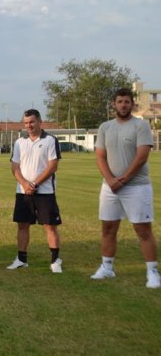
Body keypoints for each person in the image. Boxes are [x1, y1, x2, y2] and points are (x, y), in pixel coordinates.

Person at [90, 88, 160, 288]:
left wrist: (122, 180)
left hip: (137, 187)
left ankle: (152, 272)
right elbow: (100, 157)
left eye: (126, 102)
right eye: (119, 101)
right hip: (110, 187)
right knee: (108, 228)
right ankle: (107, 267)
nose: (123, 105)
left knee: (142, 229)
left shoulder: (140, 126)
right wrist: (111, 180)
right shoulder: (105, 127)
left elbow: (142, 156)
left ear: (132, 104)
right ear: (114, 104)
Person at [7, 109, 63, 273]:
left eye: (31, 122)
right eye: (26, 123)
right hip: (23, 191)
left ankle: (55, 260)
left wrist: (34, 184)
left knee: (50, 226)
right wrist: (25, 184)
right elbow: (15, 167)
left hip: (45, 192)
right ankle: (21, 259)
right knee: (22, 225)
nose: (29, 125)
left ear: (39, 122)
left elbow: (52, 166)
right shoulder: (19, 142)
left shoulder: (50, 140)